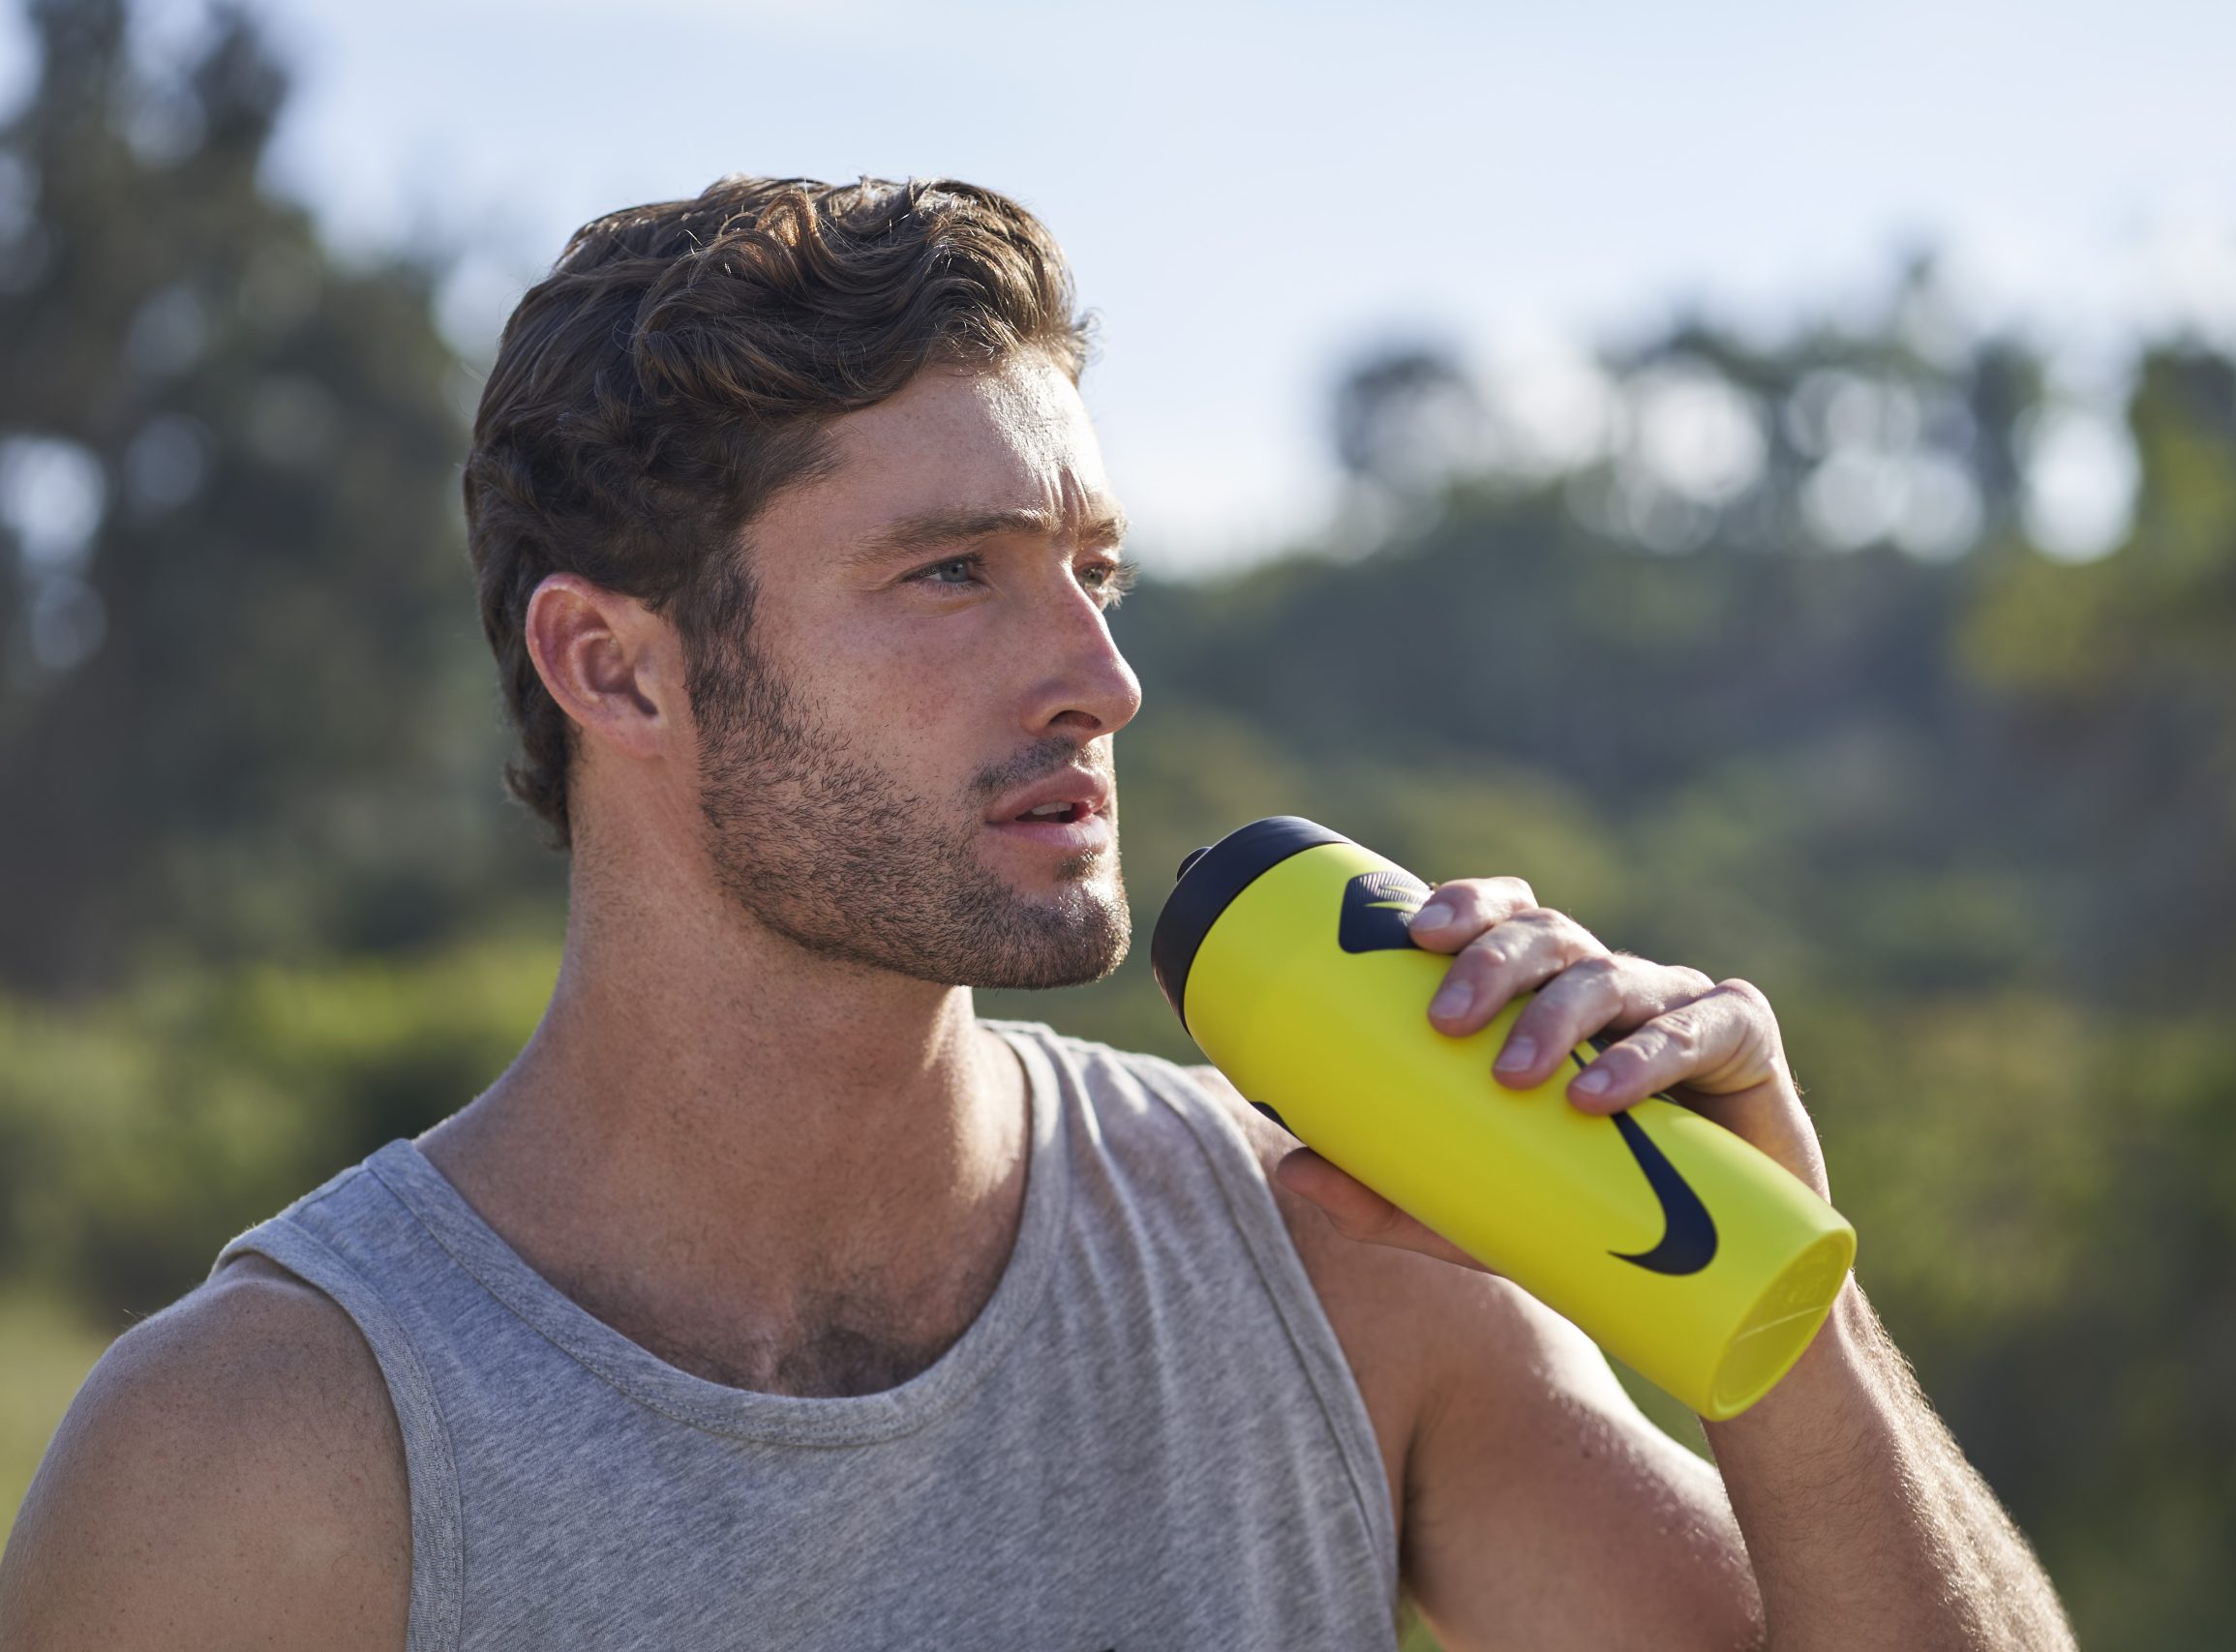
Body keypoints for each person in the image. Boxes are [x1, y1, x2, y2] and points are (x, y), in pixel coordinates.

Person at [0, 175, 2076, 1651]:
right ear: (615, 668)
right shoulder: (264, 1453)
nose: (1100, 676)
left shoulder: (1335, 1259)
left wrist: (1784, 1320)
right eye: (951, 573)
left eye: (1094, 570)